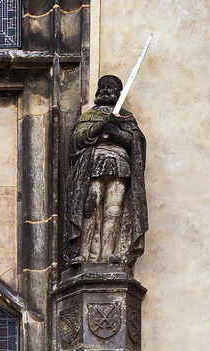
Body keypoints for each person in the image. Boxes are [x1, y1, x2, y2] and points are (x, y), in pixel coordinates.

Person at [64, 74, 147, 268]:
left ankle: (109, 252)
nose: (106, 90)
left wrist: (117, 132)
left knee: (114, 210)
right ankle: (84, 254)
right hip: (93, 163)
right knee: (89, 207)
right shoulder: (90, 115)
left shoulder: (126, 117)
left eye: (111, 87)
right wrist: (100, 127)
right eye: (103, 86)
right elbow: (76, 141)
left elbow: (136, 143)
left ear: (118, 93)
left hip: (120, 164)